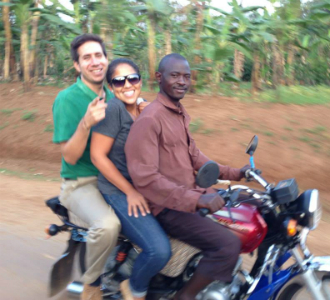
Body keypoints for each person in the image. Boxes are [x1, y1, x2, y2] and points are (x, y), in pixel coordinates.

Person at [125, 53, 250, 300]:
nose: (182, 81)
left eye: (187, 76)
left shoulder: (178, 114)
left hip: (188, 196)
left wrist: (238, 174)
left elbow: (197, 158)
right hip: (167, 207)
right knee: (227, 246)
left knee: (249, 204)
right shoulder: (150, 118)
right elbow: (146, 178)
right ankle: (186, 296)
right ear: (159, 77)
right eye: (175, 75)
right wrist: (196, 200)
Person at [90, 58, 171, 300]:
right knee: (158, 250)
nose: (127, 84)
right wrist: (130, 192)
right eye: (119, 80)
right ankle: (133, 288)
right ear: (112, 87)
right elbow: (97, 156)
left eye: (132, 78)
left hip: (145, 187)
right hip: (118, 190)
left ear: (140, 81)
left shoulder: (144, 108)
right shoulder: (114, 110)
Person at [52, 34, 122, 300]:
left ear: (106, 59)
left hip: (112, 178)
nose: (95, 62)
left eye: (99, 55)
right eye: (87, 57)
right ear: (77, 66)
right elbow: (69, 157)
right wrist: (86, 123)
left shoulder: (115, 95)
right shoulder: (67, 99)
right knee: (107, 226)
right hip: (80, 182)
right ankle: (91, 285)